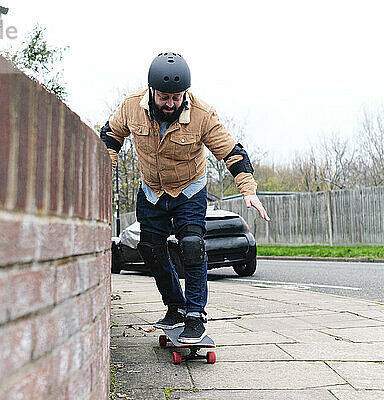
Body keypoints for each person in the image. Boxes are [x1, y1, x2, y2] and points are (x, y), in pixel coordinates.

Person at [100, 52, 270, 343]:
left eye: (177, 98)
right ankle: (175, 305)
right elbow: (111, 137)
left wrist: (248, 189)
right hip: (151, 190)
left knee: (191, 245)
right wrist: (103, 176)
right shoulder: (131, 106)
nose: (170, 104)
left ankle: (195, 314)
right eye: (165, 97)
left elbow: (231, 152)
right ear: (151, 90)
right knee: (149, 249)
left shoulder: (203, 114)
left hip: (189, 190)